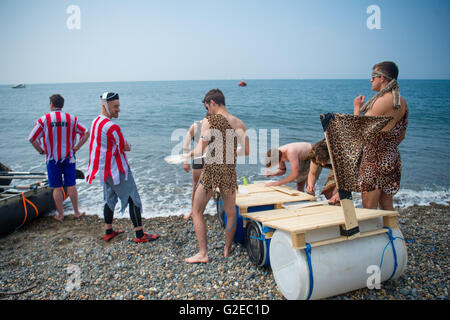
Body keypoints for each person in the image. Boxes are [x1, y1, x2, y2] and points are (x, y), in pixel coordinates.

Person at [184, 89, 250, 263]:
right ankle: (227, 249)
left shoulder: (210, 121)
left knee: (197, 211)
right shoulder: (239, 123)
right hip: (229, 171)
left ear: (212, 103)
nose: (208, 110)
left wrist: (188, 155)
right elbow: (246, 151)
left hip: (212, 171)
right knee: (231, 213)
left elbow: (200, 150)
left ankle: (203, 254)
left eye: (208, 106)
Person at [86, 92, 159, 243]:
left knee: (109, 199)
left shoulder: (95, 122)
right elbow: (126, 146)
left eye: (118, 106)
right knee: (133, 199)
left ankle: (108, 230)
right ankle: (140, 235)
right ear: (105, 106)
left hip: (103, 170)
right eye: (115, 106)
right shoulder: (112, 127)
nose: (118, 109)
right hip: (117, 170)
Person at [353, 61, 408, 210]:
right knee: (386, 204)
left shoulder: (381, 101)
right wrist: (387, 148)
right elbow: (401, 135)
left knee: (368, 207)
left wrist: (357, 108)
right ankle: (392, 232)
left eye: (373, 76)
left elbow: (360, 132)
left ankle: (371, 232)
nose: (371, 80)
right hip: (391, 157)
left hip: (374, 160)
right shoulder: (401, 102)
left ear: (382, 78)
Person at [28, 94, 89, 221]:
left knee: (56, 187)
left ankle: (60, 214)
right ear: (62, 105)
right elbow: (86, 132)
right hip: (69, 157)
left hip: (52, 158)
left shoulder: (44, 119)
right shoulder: (71, 119)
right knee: (71, 185)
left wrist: (41, 150)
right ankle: (76, 212)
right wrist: (77, 147)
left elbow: (32, 138)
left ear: (51, 104)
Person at [182, 113, 210, 220]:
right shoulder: (195, 126)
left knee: (215, 187)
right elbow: (186, 144)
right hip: (198, 159)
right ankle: (193, 210)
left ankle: (219, 208)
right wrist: (185, 161)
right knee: (196, 186)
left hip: (212, 160)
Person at [306, 139, 340, 205]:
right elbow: (312, 173)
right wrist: (310, 185)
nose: (323, 165)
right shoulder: (315, 153)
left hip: (348, 167)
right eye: (320, 163)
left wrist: (339, 194)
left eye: (324, 162)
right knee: (328, 193)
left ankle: (340, 210)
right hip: (335, 165)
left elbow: (348, 178)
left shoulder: (339, 153)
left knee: (335, 194)